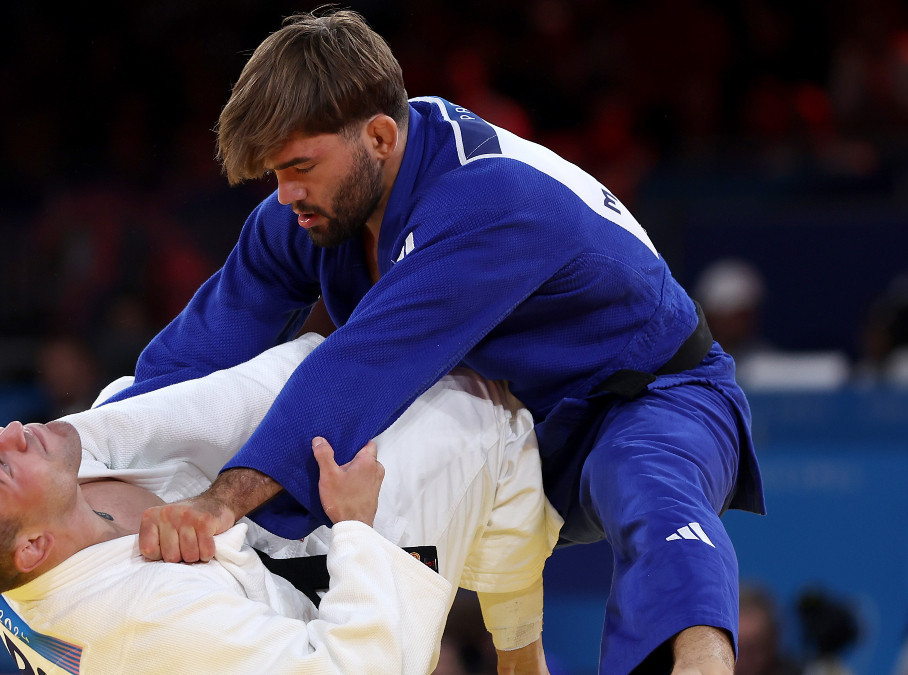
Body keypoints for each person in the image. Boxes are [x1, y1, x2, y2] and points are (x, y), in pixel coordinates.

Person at [106, 10, 764, 674]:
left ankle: (702, 662)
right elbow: (199, 348)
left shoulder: (485, 200)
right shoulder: (319, 200)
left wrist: (221, 500)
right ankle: (520, 656)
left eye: (299, 167)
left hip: (648, 396)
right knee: (357, 517)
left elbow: (359, 368)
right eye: (274, 172)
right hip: (517, 423)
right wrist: (91, 452)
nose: (285, 194)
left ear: (381, 137)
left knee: (649, 486)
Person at [0, 335, 561, 674]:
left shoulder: (13, 551)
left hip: (271, 581)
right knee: (467, 417)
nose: (8, 432)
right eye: (1, 463)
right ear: (31, 547)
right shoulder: (148, 620)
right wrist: (360, 530)